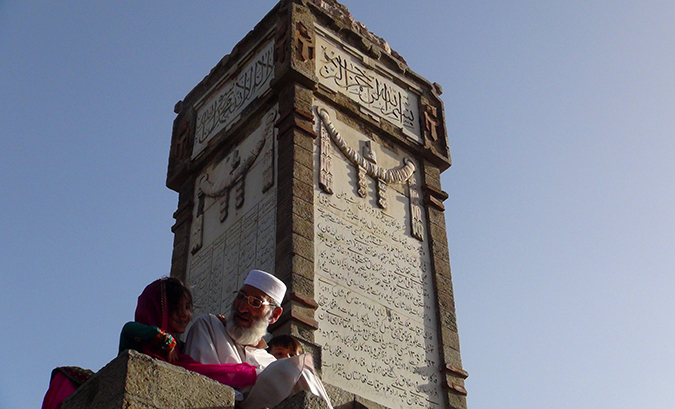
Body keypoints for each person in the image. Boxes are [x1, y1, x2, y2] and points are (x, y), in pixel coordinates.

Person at [185, 269, 333, 409]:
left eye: (256, 303)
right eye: (241, 297)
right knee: (295, 368)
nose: (242, 308)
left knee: (301, 370)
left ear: (274, 315)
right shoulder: (210, 327)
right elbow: (201, 382)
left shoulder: (269, 361)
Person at [119, 277, 258, 388]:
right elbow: (128, 329)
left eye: (187, 307)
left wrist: (225, 329)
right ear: (158, 308)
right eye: (176, 308)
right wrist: (166, 339)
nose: (184, 314)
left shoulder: (179, 350)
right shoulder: (137, 339)